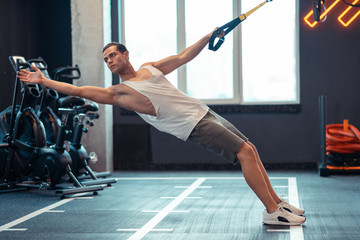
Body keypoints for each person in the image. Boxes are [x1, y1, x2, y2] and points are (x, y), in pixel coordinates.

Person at [17, 28, 305, 226]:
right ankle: (272, 211)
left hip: (203, 111)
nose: (109, 61)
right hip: (192, 125)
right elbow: (78, 90)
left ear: (126, 54)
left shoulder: (149, 68)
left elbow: (183, 56)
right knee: (243, 152)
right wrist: (43, 81)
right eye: (105, 60)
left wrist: (207, 37)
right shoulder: (120, 93)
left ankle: (279, 203)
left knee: (250, 148)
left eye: (113, 55)